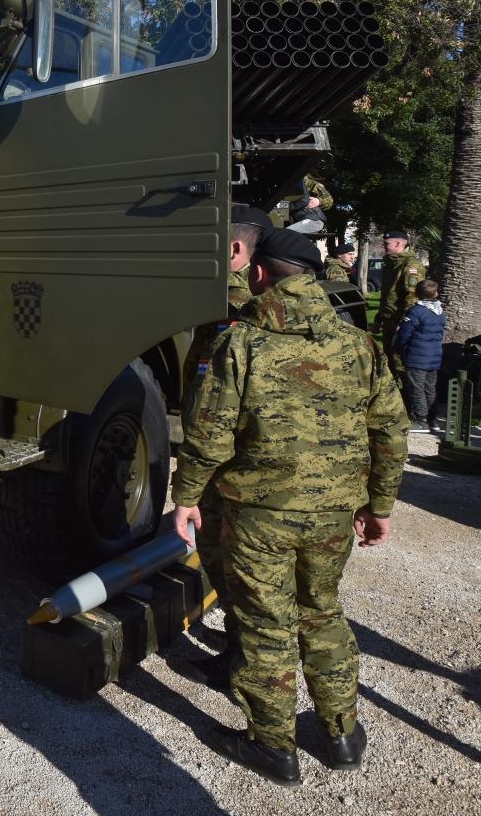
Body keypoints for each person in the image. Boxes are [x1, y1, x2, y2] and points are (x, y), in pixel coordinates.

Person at [172, 227, 407, 785]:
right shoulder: (358, 345)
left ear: (259, 274)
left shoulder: (241, 343)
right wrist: (380, 506)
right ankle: (342, 735)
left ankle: (273, 746)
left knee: (266, 624)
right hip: (333, 515)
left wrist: (186, 497)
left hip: (258, 516)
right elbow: (391, 431)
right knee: (322, 610)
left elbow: (210, 434)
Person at [181, 202, 272, 690]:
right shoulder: (263, 297)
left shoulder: (234, 303)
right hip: (251, 458)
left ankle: (247, 668)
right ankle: (243, 649)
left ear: (235, 249)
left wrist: (190, 485)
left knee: (230, 560)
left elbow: (216, 401)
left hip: (229, 461)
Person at [394, 278, 444, 434]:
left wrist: (398, 347)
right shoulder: (440, 312)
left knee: (416, 388)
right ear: (435, 294)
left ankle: (421, 420)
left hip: (417, 356)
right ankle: (432, 419)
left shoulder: (416, 311)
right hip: (434, 357)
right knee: (430, 388)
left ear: (416, 293)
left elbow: (404, 333)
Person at [377, 230, 424, 382]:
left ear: (398, 244)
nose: (384, 246)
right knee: (389, 360)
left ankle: (407, 393)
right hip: (388, 319)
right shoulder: (391, 264)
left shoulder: (411, 265)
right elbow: (386, 296)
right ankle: (392, 392)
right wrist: (379, 319)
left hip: (400, 321)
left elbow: (413, 297)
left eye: (387, 244)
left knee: (401, 362)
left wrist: (405, 322)